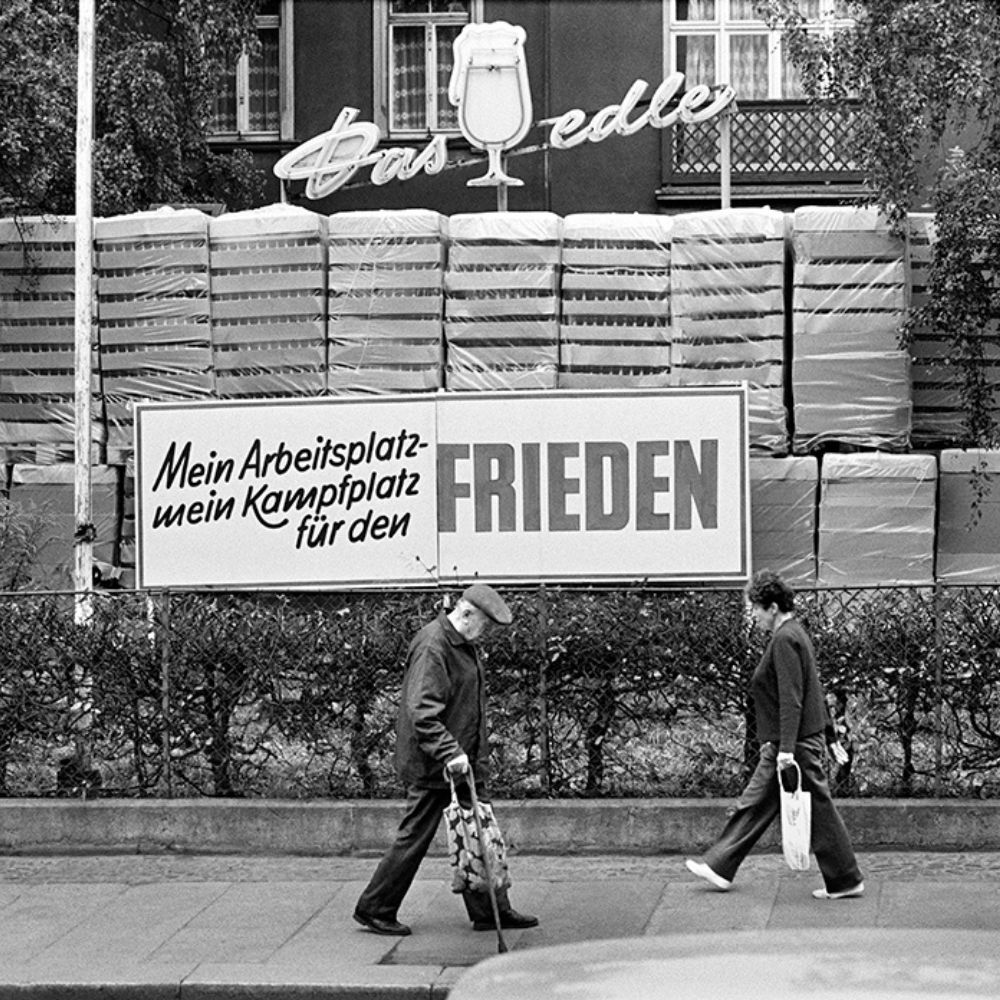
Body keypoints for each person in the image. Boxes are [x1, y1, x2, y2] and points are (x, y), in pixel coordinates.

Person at [353, 583, 539, 936]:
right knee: (415, 837)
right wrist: (451, 752)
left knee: (479, 831)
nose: (484, 634)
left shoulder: (458, 643)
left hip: (458, 762)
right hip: (435, 764)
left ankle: (491, 911)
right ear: (466, 614)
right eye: (483, 625)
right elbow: (423, 710)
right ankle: (375, 907)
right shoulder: (434, 645)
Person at [685, 569, 864, 900]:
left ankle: (846, 879)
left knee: (814, 810)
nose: (754, 615)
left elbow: (792, 697)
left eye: (756, 608)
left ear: (772, 608)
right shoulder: (795, 633)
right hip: (795, 741)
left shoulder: (784, 639)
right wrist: (827, 733)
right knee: (756, 804)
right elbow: (814, 687)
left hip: (793, 744)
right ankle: (720, 866)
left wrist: (785, 749)